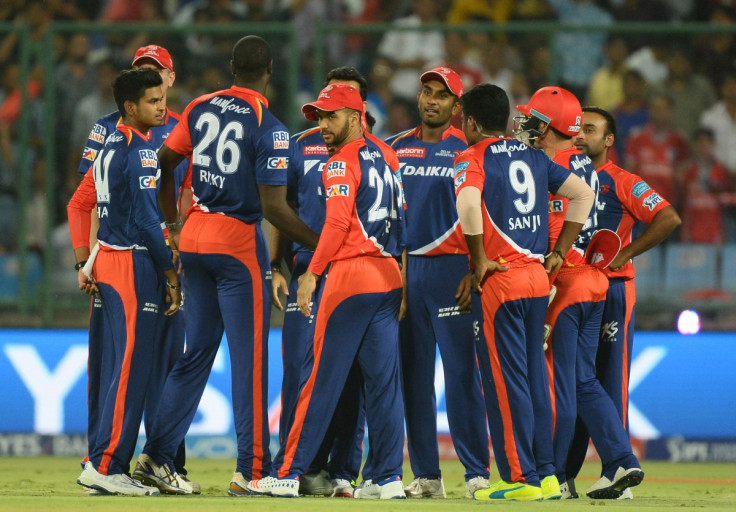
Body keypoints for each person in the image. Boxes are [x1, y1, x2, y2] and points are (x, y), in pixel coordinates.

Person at [136, 35, 320, 495]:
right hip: (238, 245)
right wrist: (325, 244)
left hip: (195, 237)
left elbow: (162, 162)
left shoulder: (198, 107)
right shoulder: (271, 127)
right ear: (270, 70)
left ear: (232, 67)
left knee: (194, 354)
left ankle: (156, 456)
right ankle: (253, 470)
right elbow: (275, 210)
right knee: (249, 360)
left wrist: (172, 223)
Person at [247, 83, 406, 499]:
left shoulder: (339, 163)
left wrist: (312, 273)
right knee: (383, 383)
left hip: (350, 277)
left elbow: (335, 226)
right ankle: (387, 478)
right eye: (318, 116)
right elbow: (400, 222)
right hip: (388, 274)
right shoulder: (388, 156)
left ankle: (288, 471)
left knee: (317, 378)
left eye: (331, 116)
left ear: (356, 117)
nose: (322, 124)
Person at [453, 83, 594, 501]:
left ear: (472, 122)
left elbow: (467, 202)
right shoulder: (534, 156)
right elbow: (582, 195)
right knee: (535, 377)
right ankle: (547, 474)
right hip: (536, 277)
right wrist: (560, 251)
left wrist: (478, 258)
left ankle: (519, 477)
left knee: (503, 380)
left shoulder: (472, 156)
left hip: (503, 278)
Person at [66, 44, 196, 494]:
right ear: (131, 106)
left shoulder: (111, 143)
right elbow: (145, 218)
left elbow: (80, 201)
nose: (161, 108)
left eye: (162, 98)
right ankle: (107, 465)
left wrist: (87, 257)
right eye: (153, 101)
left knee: (125, 367)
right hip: (135, 262)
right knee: (130, 369)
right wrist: (170, 272)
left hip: (113, 261)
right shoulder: (141, 151)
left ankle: (103, 460)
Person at [515, 86, 644, 499]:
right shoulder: (581, 161)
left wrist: (547, 268)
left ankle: (549, 474)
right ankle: (622, 459)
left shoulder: (544, 161)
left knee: (558, 381)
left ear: (549, 126)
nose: (526, 127)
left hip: (564, 278)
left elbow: (548, 228)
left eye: (533, 120)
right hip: (593, 278)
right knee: (583, 380)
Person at [385, 67, 491, 499]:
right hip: (407, 272)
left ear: (456, 106)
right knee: (414, 376)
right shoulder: (394, 149)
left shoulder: (467, 149)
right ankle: (427, 475)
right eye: (426, 92)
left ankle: (476, 472)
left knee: (462, 375)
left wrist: (475, 266)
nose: (431, 101)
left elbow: (485, 211)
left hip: (453, 273)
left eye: (441, 96)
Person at [569, 106, 681, 499]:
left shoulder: (623, 181)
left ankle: (616, 471)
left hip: (613, 289)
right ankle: (570, 474)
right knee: (575, 380)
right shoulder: (561, 176)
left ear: (609, 139)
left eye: (590, 129)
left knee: (609, 381)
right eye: (577, 128)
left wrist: (624, 253)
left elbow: (668, 218)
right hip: (573, 287)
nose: (580, 135)